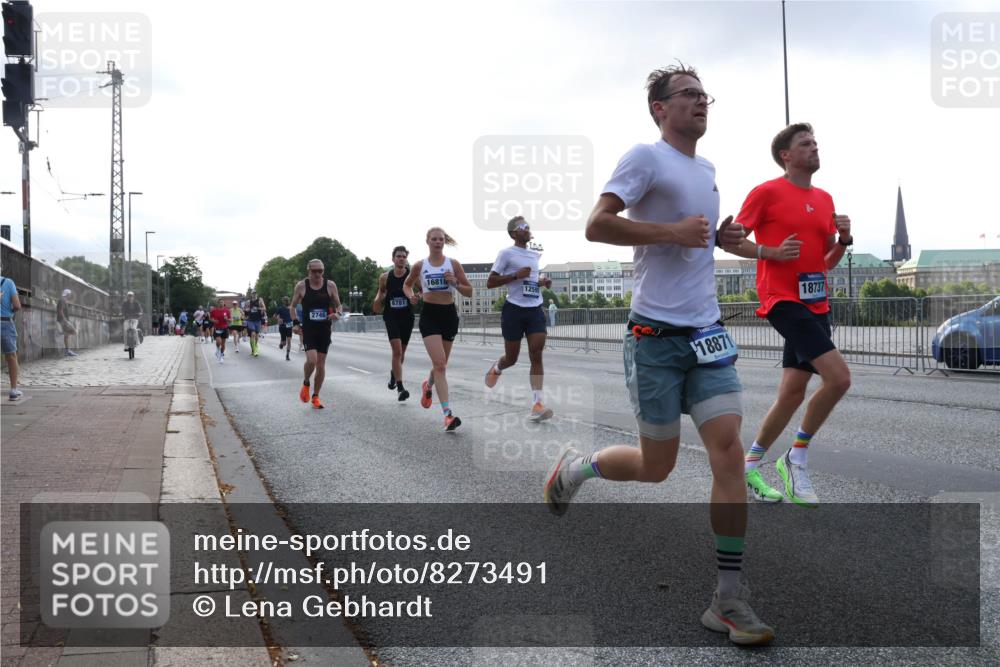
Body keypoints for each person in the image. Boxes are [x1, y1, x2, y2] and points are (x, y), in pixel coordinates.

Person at [544, 63, 773, 645]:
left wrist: (722, 241)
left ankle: (728, 599)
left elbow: (701, 241)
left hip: (708, 334)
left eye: (705, 96)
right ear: (659, 108)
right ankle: (578, 469)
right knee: (658, 466)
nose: (701, 103)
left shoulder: (709, 168)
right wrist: (670, 232)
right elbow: (596, 225)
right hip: (654, 337)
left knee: (726, 452)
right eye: (689, 95)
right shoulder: (644, 156)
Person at [722, 122, 852, 508]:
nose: (815, 148)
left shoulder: (825, 199)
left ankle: (749, 465)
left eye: (815, 143)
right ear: (786, 155)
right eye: (806, 143)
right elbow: (732, 240)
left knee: (792, 393)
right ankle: (796, 457)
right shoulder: (766, 192)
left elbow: (827, 260)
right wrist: (770, 252)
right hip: (782, 299)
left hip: (817, 303)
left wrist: (844, 240)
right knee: (840, 378)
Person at [484, 217, 554, 421]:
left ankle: (537, 404)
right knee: (512, 358)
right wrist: (515, 275)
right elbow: (490, 282)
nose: (527, 229)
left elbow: (529, 282)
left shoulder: (534, 254)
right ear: (514, 233)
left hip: (534, 310)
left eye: (528, 226)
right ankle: (497, 367)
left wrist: (542, 282)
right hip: (514, 310)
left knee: (536, 353)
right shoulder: (506, 253)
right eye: (522, 227)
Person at [403, 227, 473, 431]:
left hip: (449, 315)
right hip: (430, 316)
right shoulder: (419, 265)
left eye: (441, 239)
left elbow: (469, 292)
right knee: (440, 364)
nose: (437, 242)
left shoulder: (453, 264)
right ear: (427, 241)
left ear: (444, 242)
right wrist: (412, 296)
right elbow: (407, 286)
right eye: (434, 239)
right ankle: (447, 415)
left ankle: (428, 385)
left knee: (441, 364)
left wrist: (456, 283)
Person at [289, 259, 342, 409]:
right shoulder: (301, 286)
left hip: (325, 329)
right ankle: (306, 382)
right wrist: (295, 323)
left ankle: (316, 396)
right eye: (314, 271)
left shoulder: (330, 285)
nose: (318, 274)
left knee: (321, 364)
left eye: (321, 271)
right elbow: (292, 307)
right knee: (312, 360)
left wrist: (337, 314)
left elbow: (338, 305)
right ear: (309, 271)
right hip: (309, 329)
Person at [373, 245, 415, 402]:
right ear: (393, 259)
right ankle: (400, 388)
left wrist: (416, 297)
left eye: (404, 256)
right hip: (391, 316)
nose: (401, 258)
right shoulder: (385, 277)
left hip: (407, 317)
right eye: (399, 256)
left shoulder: (412, 276)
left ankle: (393, 374)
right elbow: (381, 291)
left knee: (401, 354)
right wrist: (378, 300)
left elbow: (421, 291)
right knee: (397, 351)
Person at [1, 275, 22, 400]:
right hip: (5, 322)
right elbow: (17, 305)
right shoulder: (8, 282)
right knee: (11, 356)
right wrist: (10, 312)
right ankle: (13, 390)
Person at [244, 291, 267, 357]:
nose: (254, 294)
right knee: (253, 334)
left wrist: (258, 308)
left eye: (255, 293)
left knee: (256, 336)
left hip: (258, 320)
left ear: (257, 294)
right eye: (253, 293)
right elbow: (245, 309)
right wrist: (248, 310)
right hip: (250, 320)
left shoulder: (260, 301)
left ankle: (254, 348)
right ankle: (255, 350)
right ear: (251, 294)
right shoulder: (248, 302)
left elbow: (264, 308)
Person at [121, 291, 143, 357]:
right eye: (129, 296)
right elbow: (122, 310)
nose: (130, 297)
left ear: (133, 297)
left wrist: (139, 313)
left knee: (134, 329)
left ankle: (136, 342)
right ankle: (126, 346)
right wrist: (122, 313)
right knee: (125, 330)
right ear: (127, 297)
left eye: (131, 296)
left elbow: (140, 310)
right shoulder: (125, 303)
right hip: (127, 319)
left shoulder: (136, 303)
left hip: (134, 319)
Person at [56, 289, 78, 356]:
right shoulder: (62, 300)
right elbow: (61, 311)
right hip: (63, 320)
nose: (70, 295)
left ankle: (67, 351)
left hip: (63, 320)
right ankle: (67, 350)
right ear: (67, 294)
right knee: (73, 332)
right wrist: (65, 320)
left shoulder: (64, 300)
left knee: (67, 335)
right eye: (70, 294)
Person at [209, 298, 231, 363]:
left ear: (223, 303)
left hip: (225, 328)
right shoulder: (214, 311)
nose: (221, 303)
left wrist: (227, 319)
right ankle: (217, 349)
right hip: (217, 328)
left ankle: (221, 356)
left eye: (222, 302)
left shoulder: (227, 311)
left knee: (223, 343)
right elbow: (210, 318)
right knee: (218, 341)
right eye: (220, 302)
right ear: (218, 303)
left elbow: (230, 320)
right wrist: (214, 320)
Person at [276, 296, 294, 361]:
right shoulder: (280, 308)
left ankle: (287, 355)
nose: (286, 302)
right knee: (284, 343)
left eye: (287, 300)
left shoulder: (291, 308)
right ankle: (281, 343)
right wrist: (278, 318)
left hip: (289, 326)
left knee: (289, 341)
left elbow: (294, 316)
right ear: (283, 302)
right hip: (282, 326)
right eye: (285, 300)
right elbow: (275, 315)